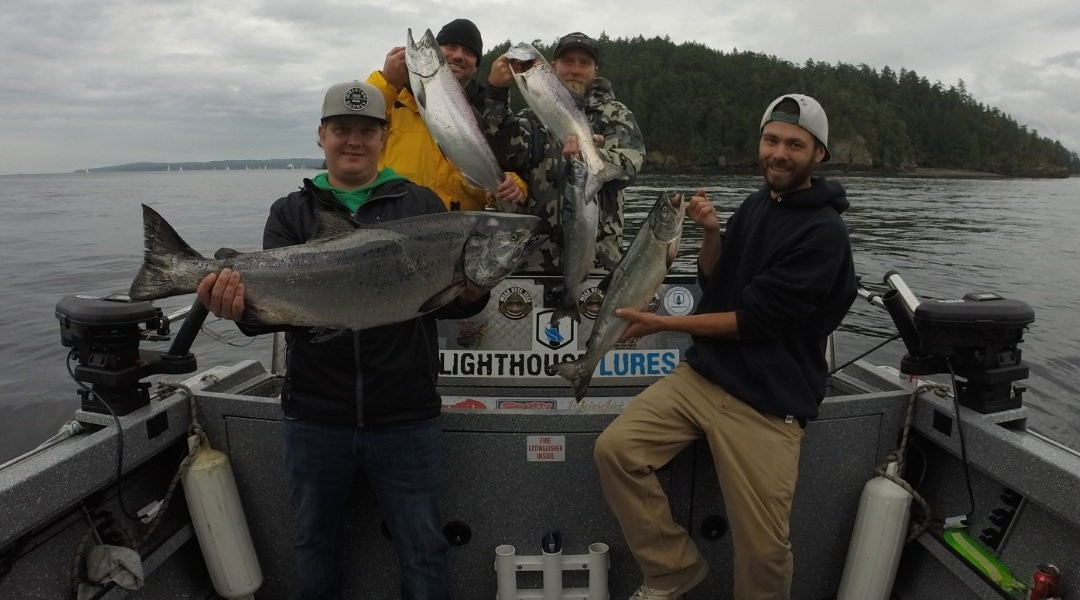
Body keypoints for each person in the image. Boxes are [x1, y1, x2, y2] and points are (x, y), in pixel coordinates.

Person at [197, 80, 489, 600]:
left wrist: (475, 288)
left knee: (423, 546)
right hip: (315, 415)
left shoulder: (421, 203)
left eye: (366, 131)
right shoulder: (292, 212)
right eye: (341, 130)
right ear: (322, 136)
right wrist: (237, 309)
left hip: (405, 414)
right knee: (313, 544)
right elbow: (273, 315)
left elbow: (456, 301)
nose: (353, 141)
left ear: (383, 137)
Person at [591, 94, 857, 600]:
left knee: (764, 550)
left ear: (818, 154)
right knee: (616, 452)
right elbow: (716, 278)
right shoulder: (760, 203)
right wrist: (712, 231)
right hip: (704, 377)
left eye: (795, 145)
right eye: (772, 140)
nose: (779, 153)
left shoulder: (824, 235)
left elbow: (754, 320)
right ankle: (672, 569)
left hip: (766, 404)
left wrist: (661, 322)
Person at [483, 31, 645, 272]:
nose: (575, 70)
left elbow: (631, 167)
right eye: (568, 62)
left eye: (584, 63)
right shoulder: (531, 116)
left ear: (595, 70)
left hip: (597, 265)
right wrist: (496, 93)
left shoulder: (616, 115)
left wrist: (594, 157)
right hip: (534, 262)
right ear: (553, 65)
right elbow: (506, 153)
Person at [367, 18, 525, 211]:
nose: (459, 56)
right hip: (396, 226)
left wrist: (516, 187)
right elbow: (356, 120)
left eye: (468, 52)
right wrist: (387, 81)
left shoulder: (493, 114)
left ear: (476, 66)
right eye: (450, 47)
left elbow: (512, 166)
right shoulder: (393, 99)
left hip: (461, 234)